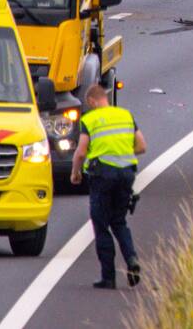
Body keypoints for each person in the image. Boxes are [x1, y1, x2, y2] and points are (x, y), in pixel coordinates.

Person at [70, 85, 146, 289]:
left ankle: (108, 277)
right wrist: (122, 153)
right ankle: (131, 260)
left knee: (101, 223)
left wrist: (75, 173)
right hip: (127, 175)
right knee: (119, 221)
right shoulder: (125, 115)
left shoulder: (90, 120)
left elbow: (81, 152)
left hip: (103, 175)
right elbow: (141, 146)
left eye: (89, 105)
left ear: (93, 101)